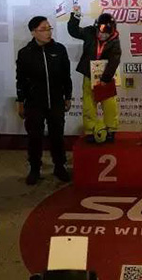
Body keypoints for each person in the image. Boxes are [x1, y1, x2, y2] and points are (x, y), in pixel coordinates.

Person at [16, 16, 72, 185]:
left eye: (49, 28)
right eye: (43, 29)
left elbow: (66, 76)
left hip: (56, 101)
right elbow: (21, 80)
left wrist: (67, 96)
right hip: (34, 103)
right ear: (33, 32)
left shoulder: (59, 50)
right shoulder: (25, 53)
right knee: (35, 137)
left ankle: (60, 166)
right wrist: (20, 101)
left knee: (57, 135)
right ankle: (34, 169)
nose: (48, 32)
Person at [67, 9, 121, 142]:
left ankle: (111, 130)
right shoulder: (89, 32)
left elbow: (114, 61)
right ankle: (90, 131)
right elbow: (74, 31)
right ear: (96, 28)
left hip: (106, 78)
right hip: (89, 75)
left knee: (109, 104)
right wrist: (75, 17)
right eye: (100, 32)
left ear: (112, 31)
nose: (102, 35)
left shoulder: (115, 41)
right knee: (89, 104)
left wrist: (105, 79)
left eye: (106, 33)